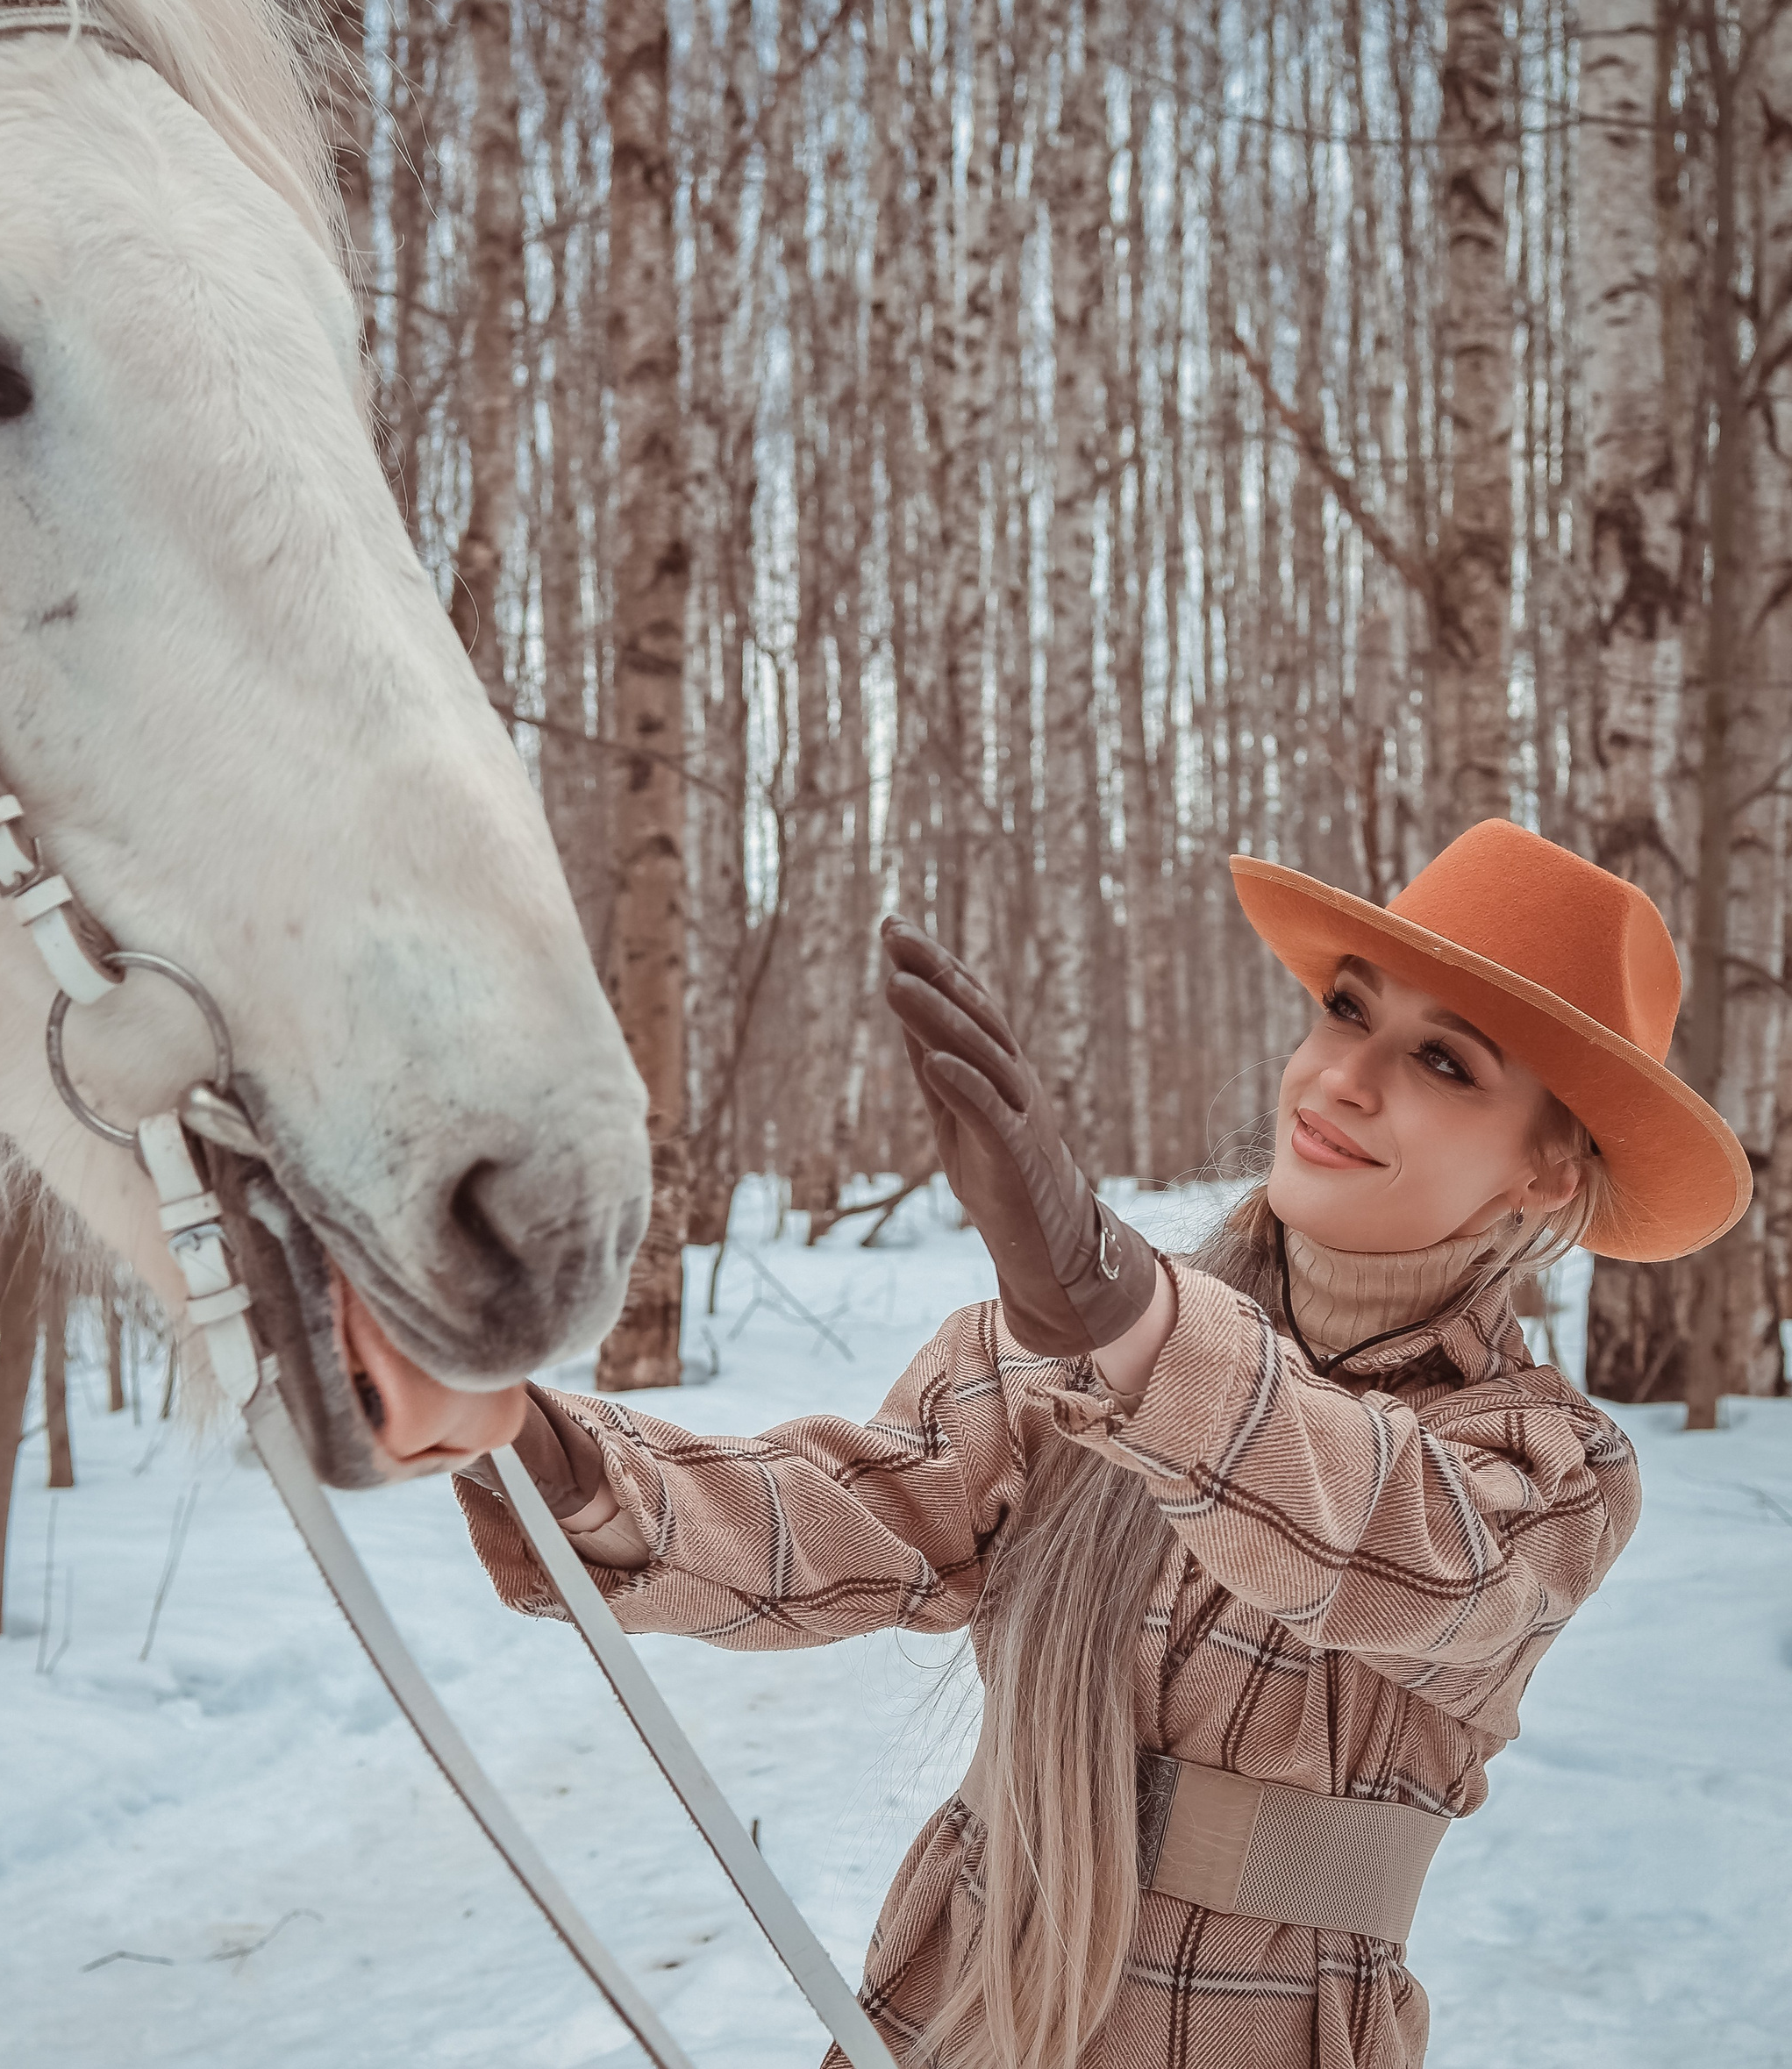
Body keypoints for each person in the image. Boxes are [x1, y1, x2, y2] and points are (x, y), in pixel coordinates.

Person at [452, 819, 1751, 2069]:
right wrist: (542, 1452)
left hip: (1266, 2033)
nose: (1343, 1077)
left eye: (1445, 1062)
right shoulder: (1089, 1337)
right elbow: (860, 1516)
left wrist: (1125, 1313)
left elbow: (1409, 1557)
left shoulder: (1549, 1466)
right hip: (965, 2001)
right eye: (1348, 1010)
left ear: (1546, 1174)